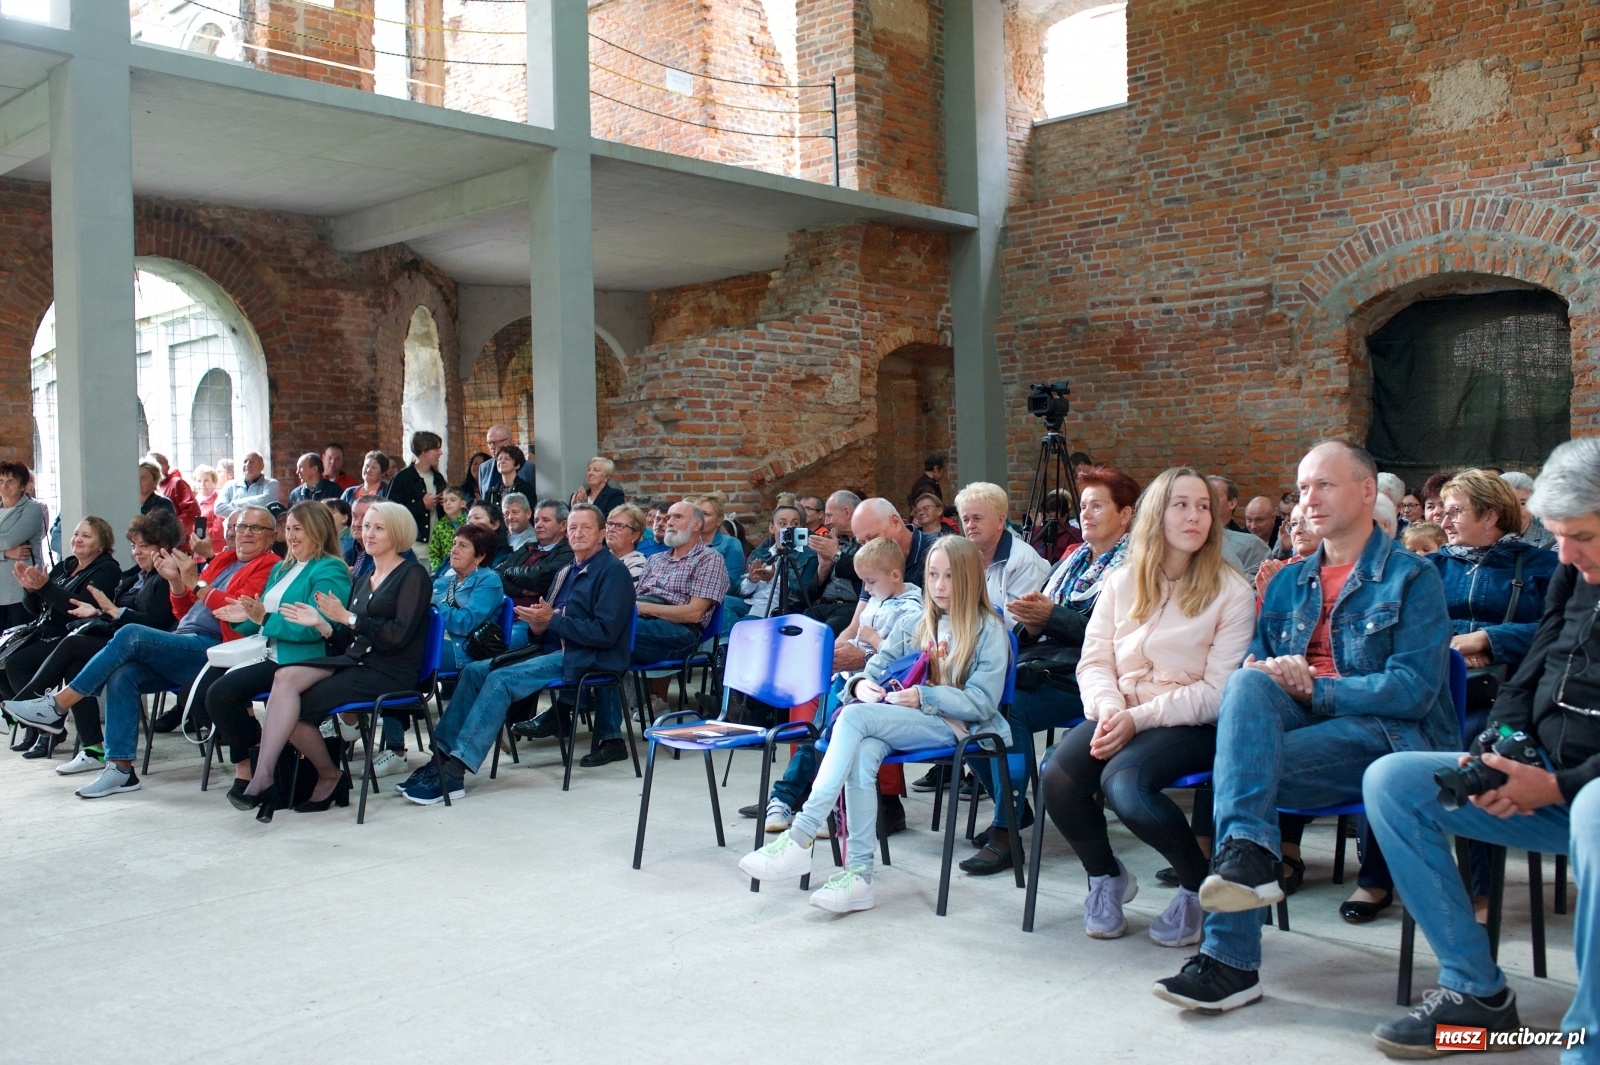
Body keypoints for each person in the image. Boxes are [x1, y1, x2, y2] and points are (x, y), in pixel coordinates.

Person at [1152, 441, 1456, 1014]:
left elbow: (1413, 692)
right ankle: (1249, 857)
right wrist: (1268, 672)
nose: (1306, 500)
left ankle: (1230, 962)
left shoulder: (1413, 578)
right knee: (1247, 686)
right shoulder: (1289, 582)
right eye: (1303, 488)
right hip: (1309, 729)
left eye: (1324, 485)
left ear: (1367, 491)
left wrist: (1317, 687)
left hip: (1390, 738)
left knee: (1241, 773)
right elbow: (1258, 672)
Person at [1363, 438, 1600, 1061]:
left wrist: (1554, 787)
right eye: (1559, 536)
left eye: (1583, 537)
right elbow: (1540, 657)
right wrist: (1506, 737)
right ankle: (1478, 993)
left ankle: (1589, 1040)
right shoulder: (1576, 569)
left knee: (1594, 809)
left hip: (1583, 793)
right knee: (1391, 782)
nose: (1567, 554)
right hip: (1543, 770)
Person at [739, 536, 1010, 914]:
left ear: (969, 579)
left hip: (958, 725)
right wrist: (859, 684)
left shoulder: (988, 628)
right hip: (904, 716)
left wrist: (925, 697)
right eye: (933, 575)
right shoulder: (916, 622)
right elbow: (874, 669)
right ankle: (859, 878)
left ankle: (801, 835)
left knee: (852, 717)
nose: (940, 586)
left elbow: (982, 702)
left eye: (950, 576)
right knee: (863, 749)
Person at [1040, 467, 1255, 944]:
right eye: (1181, 504)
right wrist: (1109, 706)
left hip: (1190, 720)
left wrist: (1137, 719)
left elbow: (1218, 692)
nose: (1195, 516)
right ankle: (1106, 877)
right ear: (1157, 514)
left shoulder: (1232, 592)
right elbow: (1094, 659)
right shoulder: (1121, 582)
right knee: (1057, 777)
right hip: (1121, 710)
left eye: (1203, 506)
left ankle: (1197, 889)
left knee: (1126, 787)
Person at [5, 507, 280, 798]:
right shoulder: (223, 559)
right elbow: (185, 610)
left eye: (256, 528)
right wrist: (177, 583)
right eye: (240, 527)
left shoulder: (269, 565)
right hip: (183, 639)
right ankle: (120, 769)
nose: (245, 532)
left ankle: (57, 705)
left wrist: (195, 583)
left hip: (216, 648)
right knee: (123, 675)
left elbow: (236, 614)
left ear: (273, 536)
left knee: (128, 634)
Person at [961, 464, 1140, 875]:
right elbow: (1036, 620)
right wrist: (1029, 620)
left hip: (1093, 676)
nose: (1086, 514)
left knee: (1009, 711)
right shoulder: (1074, 556)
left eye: (1098, 506)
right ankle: (1014, 807)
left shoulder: (1135, 566)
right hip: (1042, 664)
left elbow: (1115, 638)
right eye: (1083, 506)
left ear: (1126, 514)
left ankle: (1007, 833)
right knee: (963, 702)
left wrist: (1051, 617)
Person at [405, 504, 637, 801]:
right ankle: (439, 756)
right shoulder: (567, 570)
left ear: (602, 534)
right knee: (475, 671)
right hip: (551, 649)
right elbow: (542, 628)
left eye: (586, 528)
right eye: (573, 528)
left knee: (501, 679)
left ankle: (455, 770)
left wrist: (552, 620)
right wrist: (540, 624)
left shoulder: (612, 572)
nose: (577, 533)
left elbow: (604, 634)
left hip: (588, 657)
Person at [227, 501, 428, 819]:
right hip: (357, 661)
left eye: (379, 527)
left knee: (294, 705)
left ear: (398, 532)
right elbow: (349, 641)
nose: (368, 533)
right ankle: (267, 775)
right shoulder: (366, 578)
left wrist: (347, 618)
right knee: (285, 679)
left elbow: (397, 637)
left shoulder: (413, 574)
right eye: (366, 526)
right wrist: (321, 624)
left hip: (390, 670)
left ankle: (326, 775)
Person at [761, 535, 926, 831]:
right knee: (818, 732)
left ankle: (802, 799)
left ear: (896, 576)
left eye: (871, 582)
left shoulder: (912, 610)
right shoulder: (878, 597)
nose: (867, 589)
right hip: (851, 681)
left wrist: (873, 640)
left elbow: (907, 658)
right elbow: (853, 631)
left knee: (827, 734)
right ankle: (789, 798)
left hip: (880, 688)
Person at [197, 501, 351, 803]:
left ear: (317, 530)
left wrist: (262, 619)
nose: (291, 536)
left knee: (223, 693)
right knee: (209, 693)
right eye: (289, 528)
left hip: (311, 656)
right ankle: (260, 757)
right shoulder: (283, 568)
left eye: (299, 529)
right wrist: (243, 618)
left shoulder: (330, 567)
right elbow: (262, 620)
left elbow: (316, 626)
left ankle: (259, 773)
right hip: (274, 654)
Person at [6, 511, 184, 769]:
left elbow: (155, 624)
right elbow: (42, 607)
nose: (137, 552)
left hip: (144, 648)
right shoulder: (133, 575)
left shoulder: (155, 577)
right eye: (134, 546)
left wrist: (111, 612)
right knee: (72, 662)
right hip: (111, 639)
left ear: (163, 548)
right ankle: (93, 749)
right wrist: (100, 612)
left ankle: (28, 708)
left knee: (70, 644)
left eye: (144, 546)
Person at [622, 500, 730, 735]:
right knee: (601, 632)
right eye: (668, 517)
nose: (668, 522)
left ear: (696, 525)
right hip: (647, 625)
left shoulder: (709, 559)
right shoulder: (655, 560)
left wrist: (644, 609)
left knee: (610, 631)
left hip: (683, 633)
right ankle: (631, 711)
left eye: (677, 517)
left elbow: (693, 613)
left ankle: (636, 706)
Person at [1, 517, 124, 717]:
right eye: (76, 534)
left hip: (70, 636)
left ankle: (40, 725)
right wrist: (31, 591)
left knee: (17, 663)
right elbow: (35, 610)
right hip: (44, 633)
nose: (78, 539)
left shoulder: (107, 570)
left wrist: (45, 587)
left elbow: (78, 609)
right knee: (3, 662)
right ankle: (32, 722)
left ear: (102, 545)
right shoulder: (65, 566)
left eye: (86, 536)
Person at [954, 481, 1052, 628]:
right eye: (965, 519)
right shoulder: (963, 559)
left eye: (977, 518)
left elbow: (1017, 628)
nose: (970, 525)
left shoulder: (1023, 562)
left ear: (1000, 520)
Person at [432, 522, 505, 671]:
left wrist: (432, 602)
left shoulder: (489, 581)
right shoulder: (444, 581)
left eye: (462, 546)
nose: (453, 550)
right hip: (435, 639)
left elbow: (465, 623)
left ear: (479, 556)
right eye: (454, 544)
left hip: (460, 650)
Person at [739, 503, 818, 619]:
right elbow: (739, 590)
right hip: (750, 603)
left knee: (747, 622)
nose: (789, 528)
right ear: (772, 528)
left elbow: (803, 596)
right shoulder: (759, 553)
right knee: (726, 604)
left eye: (795, 524)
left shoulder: (809, 556)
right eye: (782, 524)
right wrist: (752, 580)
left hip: (778, 610)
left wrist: (773, 579)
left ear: (800, 528)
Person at [497, 498, 573, 606]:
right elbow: (496, 574)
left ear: (563, 525)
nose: (538, 525)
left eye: (546, 520)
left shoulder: (568, 552)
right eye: (536, 520)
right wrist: (519, 591)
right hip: (504, 609)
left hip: (533, 617)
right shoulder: (527, 547)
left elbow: (538, 577)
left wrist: (509, 571)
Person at [0, 461, 46, 632]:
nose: (4, 485)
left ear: (23, 486)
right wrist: (6, 553)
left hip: (20, 590)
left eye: (10, 481)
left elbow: (11, 539)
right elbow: (7, 546)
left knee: (18, 641)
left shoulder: (32, 509)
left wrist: (8, 548)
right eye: (1, 480)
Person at [387, 431, 448, 549]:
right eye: (436, 449)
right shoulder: (402, 478)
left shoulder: (438, 478)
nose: (440, 452)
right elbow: (390, 513)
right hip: (413, 547)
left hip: (437, 547)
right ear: (424, 451)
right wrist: (422, 505)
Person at [693, 493, 745, 590]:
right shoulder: (686, 542)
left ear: (719, 520)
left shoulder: (731, 544)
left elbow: (731, 584)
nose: (699, 518)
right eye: (697, 513)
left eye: (705, 514)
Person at [1503, 469, 1558, 549]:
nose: (1515, 511)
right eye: (1507, 503)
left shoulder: (1552, 541)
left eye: (1522, 503)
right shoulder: (1484, 540)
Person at [478, 424, 534, 500]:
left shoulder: (529, 468)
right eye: (489, 443)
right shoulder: (484, 468)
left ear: (509, 441)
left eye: (495, 442)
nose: (492, 447)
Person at [215, 453, 281, 518]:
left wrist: (235, 504)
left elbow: (266, 501)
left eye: (252, 462)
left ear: (262, 466)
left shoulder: (271, 484)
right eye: (245, 461)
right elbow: (219, 508)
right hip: (234, 528)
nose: (247, 464)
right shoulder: (229, 485)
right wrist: (248, 516)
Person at [147, 453, 200, 530]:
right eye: (150, 465)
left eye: (158, 463)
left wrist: (171, 528)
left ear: (167, 466)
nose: (155, 468)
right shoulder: (153, 487)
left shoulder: (176, 483)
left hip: (176, 538)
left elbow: (193, 512)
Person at [427, 487, 470, 573]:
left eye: (452, 500)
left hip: (467, 569)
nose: (448, 503)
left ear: (462, 503)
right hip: (445, 571)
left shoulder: (469, 523)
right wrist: (439, 570)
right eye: (445, 501)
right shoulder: (439, 526)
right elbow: (433, 553)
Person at [604, 503, 649, 581]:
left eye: (620, 526)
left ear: (635, 536)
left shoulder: (639, 564)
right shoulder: (598, 557)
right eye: (610, 524)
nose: (611, 529)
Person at [193, 464, 222, 543]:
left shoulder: (219, 501)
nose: (202, 484)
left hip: (212, 548)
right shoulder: (192, 501)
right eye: (199, 481)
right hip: (194, 545)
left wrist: (196, 538)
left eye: (206, 480)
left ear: (214, 482)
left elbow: (218, 530)